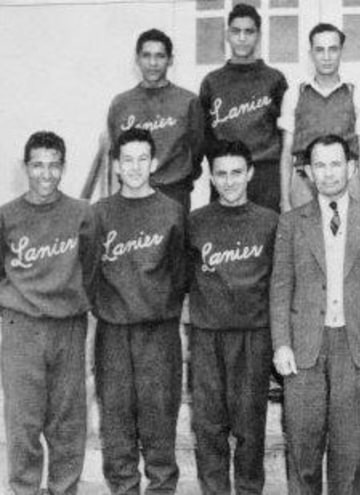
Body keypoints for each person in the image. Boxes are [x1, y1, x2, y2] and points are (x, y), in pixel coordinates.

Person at [270, 134, 360, 494]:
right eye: (319, 165)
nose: (328, 173)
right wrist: (282, 344)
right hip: (305, 347)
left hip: (354, 347)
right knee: (303, 454)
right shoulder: (291, 223)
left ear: (352, 167)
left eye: (336, 164)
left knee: (350, 457)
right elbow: (280, 288)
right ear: (307, 172)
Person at [0, 131, 96, 495]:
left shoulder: (81, 213)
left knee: (67, 423)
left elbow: (91, 267)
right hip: (21, 326)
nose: (46, 174)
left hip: (68, 326)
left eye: (54, 165)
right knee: (23, 422)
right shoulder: (7, 216)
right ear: (26, 168)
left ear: (64, 167)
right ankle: (24, 489)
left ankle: (63, 489)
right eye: (38, 165)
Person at [92, 128, 187, 494]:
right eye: (127, 159)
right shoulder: (99, 214)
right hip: (113, 331)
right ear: (116, 165)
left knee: (159, 421)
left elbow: (180, 275)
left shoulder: (171, 212)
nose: (134, 167)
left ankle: (162, 488)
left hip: (158, 332)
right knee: (116, 422)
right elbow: (89, 272)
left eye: (142, 159)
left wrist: (157, 306)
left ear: (155, 163)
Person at [187, 140, 279, 494]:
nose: (229, 181)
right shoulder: (196, 222)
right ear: (210, 176)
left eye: (236, 173)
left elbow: (278, 281)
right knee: (209, 424)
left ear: (251, 173)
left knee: (249, 425)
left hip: (253, 335)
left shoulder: (269, 222)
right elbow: (183, 276)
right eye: (221, 174)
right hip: (208, 334)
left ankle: (248, 489)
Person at [200, 3, 288, 211]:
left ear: (258, 35)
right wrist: (220, 167)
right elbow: (204, 136)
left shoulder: (274, 79)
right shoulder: (212, 82)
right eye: (236, 31)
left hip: (266, 175)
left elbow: (285, 135)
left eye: (249, 31)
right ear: (227, 35)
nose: (242, 37)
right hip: (226, 174)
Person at [278, 23, 360, 211]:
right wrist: (285, 200)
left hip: (347, 181)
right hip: (305, 183)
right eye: (320, 50)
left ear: (341, 52)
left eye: (333, 49)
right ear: (311, 54)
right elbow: (286, 153)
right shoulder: (295, 94)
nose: (327, 57)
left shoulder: (355, 92)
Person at [107, 28, 204, 212]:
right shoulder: (121, 103)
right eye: (146, 56)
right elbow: (115, 150)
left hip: (174, 193)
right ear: (137, 59)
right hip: (133, 193)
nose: (153, 63)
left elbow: (197, 150)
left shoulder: (188, 101)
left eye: (160, 56)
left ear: (170, 60)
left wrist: (180, 180)